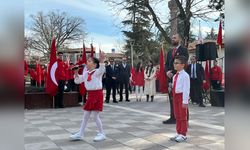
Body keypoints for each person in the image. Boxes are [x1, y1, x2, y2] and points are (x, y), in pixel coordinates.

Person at [70, 51, 106, 142]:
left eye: (90, 61)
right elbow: (77, 81)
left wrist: (102, 60)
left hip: (97, 94)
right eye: (88, 61)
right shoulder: (86, 73)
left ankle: (102, 133)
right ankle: (81, 133)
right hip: (90, 95)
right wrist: (76, 73)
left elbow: (102, 69)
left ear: (94, 64)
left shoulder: (97, 72)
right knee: (86, 115)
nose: (87, 62)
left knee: (95, 115)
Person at [163, 33, 189, 124]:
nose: (173, 39)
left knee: (181, 99)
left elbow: (183, 63)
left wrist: (172, 72)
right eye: (172, 38)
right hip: (170, 78)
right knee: (172, 98)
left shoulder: (184, 50)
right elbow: (166, 64)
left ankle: (185, 119)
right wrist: (167, 72)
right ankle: (173, 117)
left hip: (179, 77)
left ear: (179, 39)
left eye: (175, 38)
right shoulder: (170, 52)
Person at [170, 56, 190, 142]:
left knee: (183, 116)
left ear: (182, 65)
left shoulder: (185, 75)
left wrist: (185, 101)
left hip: (181, 96)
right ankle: (178, 132)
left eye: (177, 63)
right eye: (174, 63)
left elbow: (186, 89)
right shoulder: (175, 76)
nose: (174, 64)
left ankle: (183, 134)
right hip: (175, 96)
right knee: (177, 115)